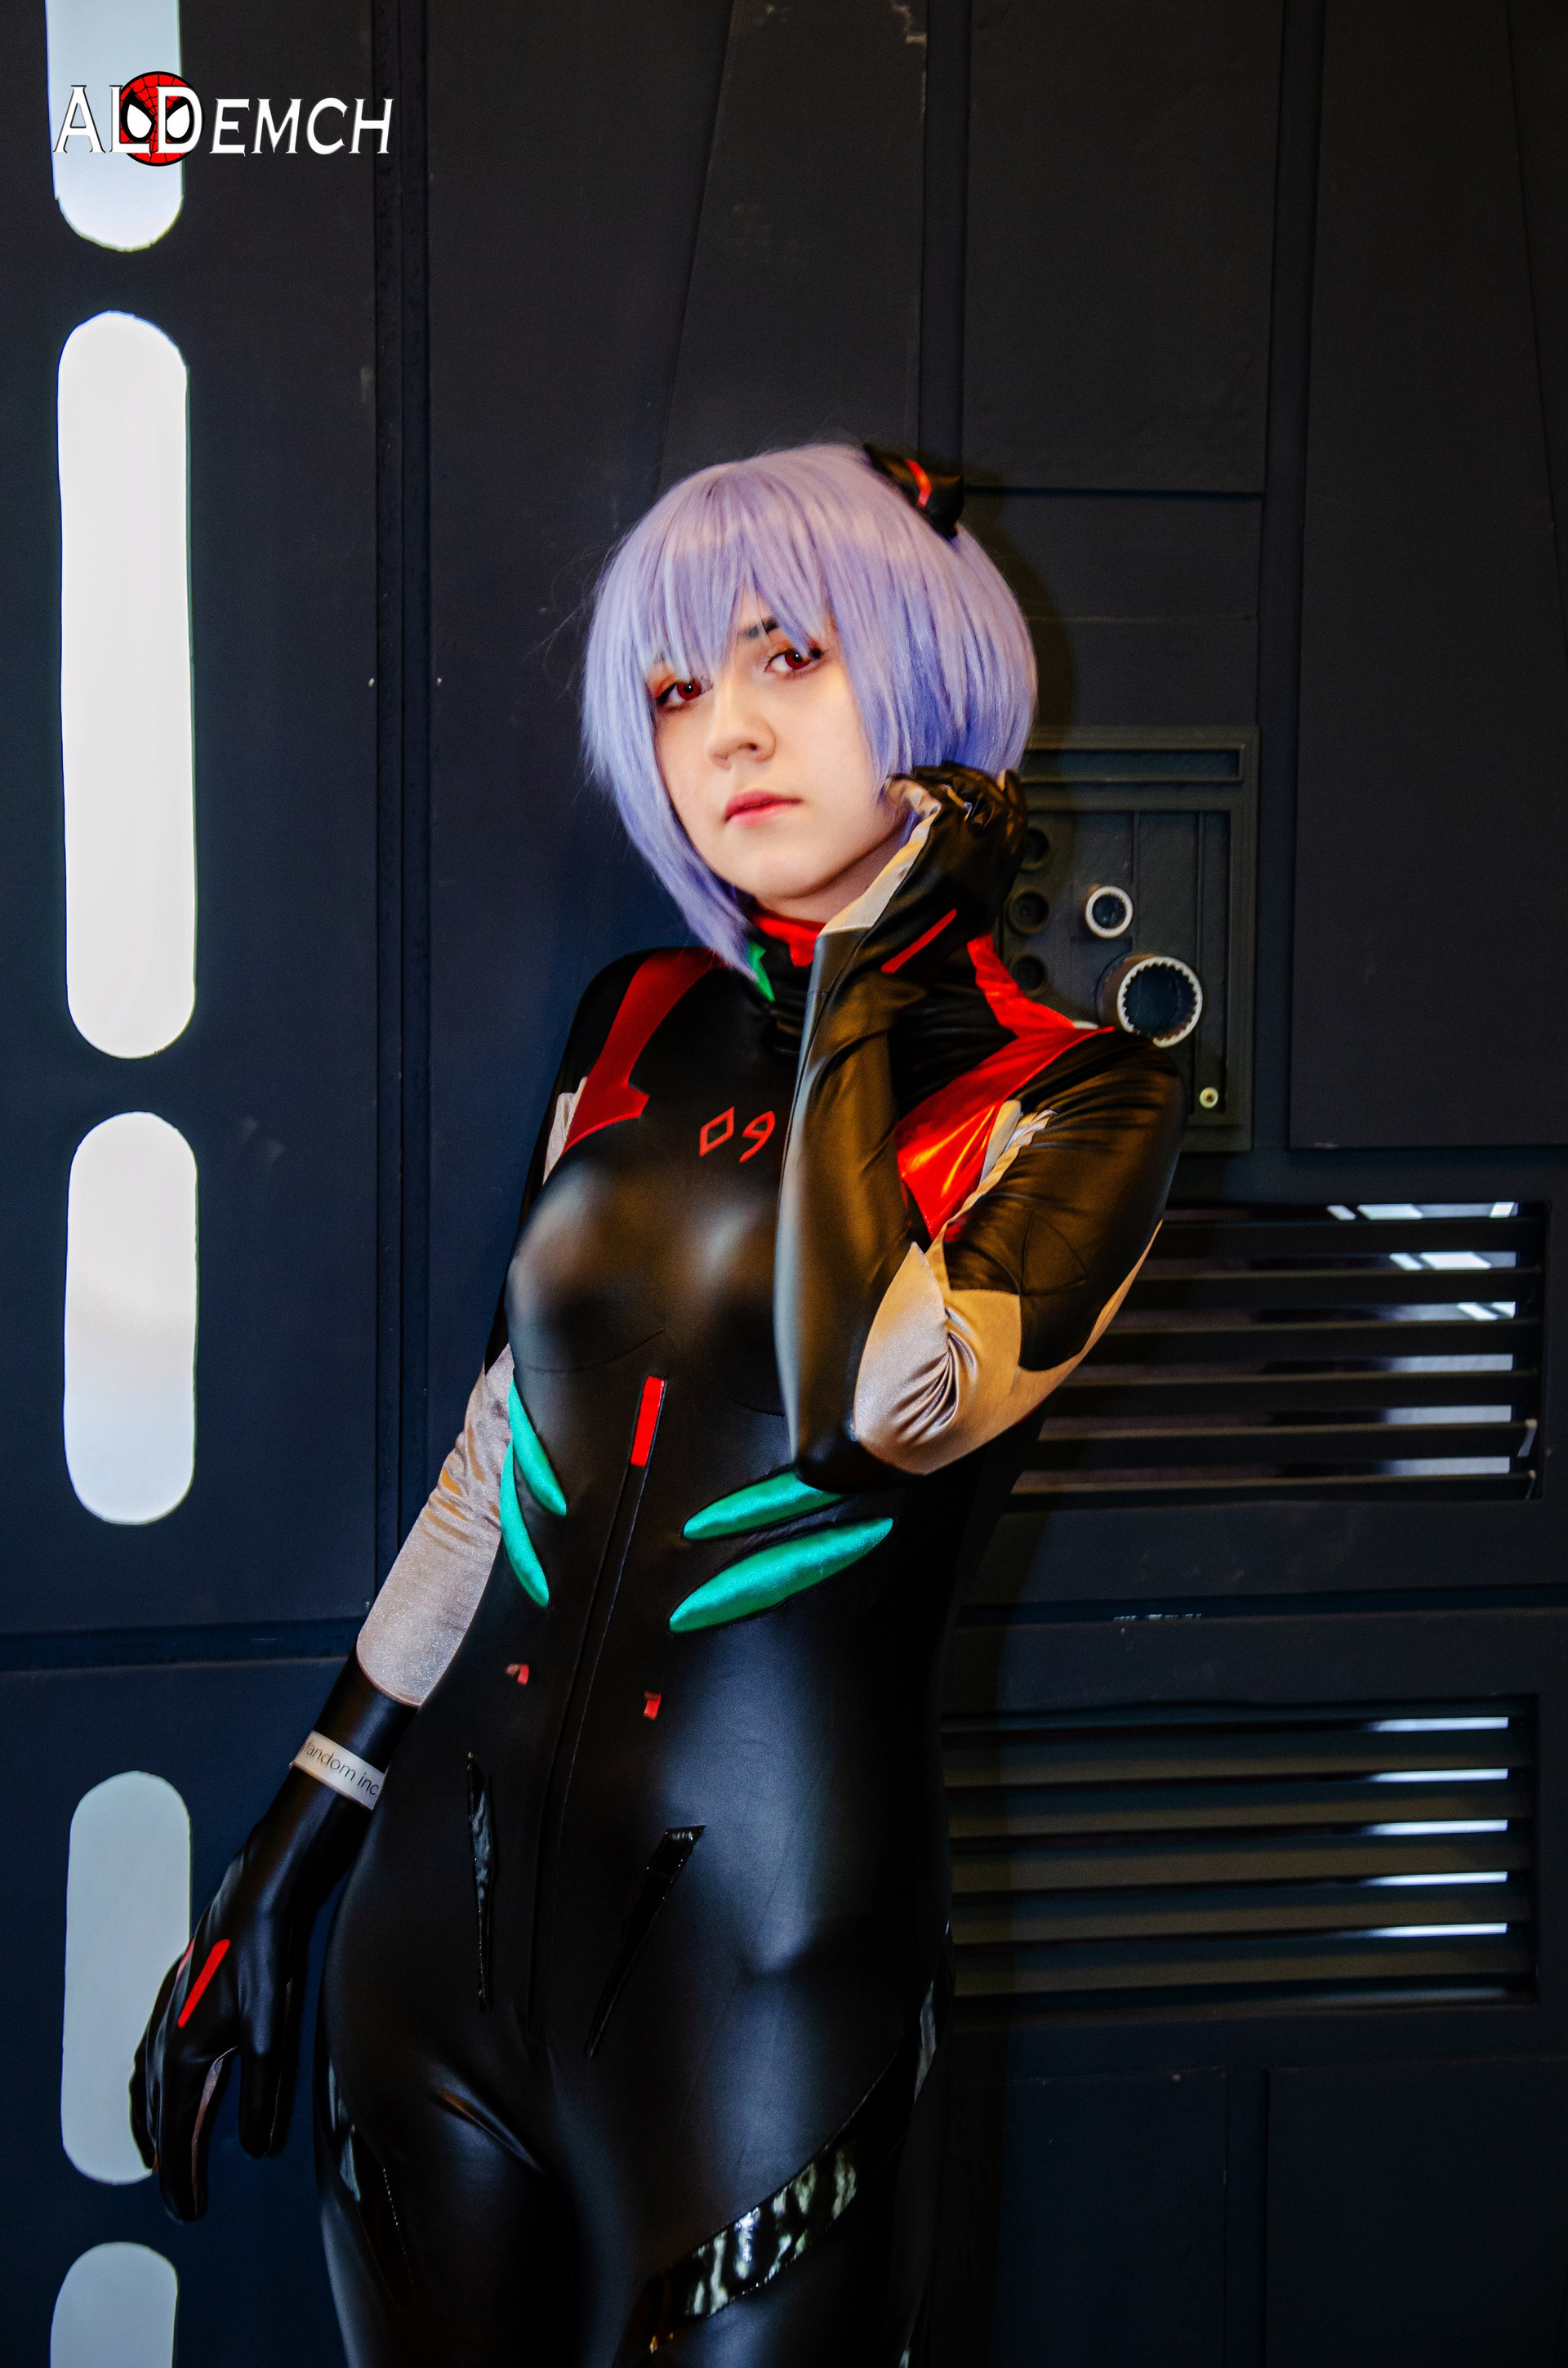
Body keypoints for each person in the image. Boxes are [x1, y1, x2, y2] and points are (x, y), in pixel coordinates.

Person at [131, 441, 1185, 2366]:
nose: (728, 733)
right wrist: (287, 1842)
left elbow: (865, 1413)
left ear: (938, 681)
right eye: (680, 687)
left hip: (765, 1984)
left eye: (791, 656)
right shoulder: (633, 1021)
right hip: (428, 1951)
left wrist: (863, 977)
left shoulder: (1081, 1099)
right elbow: (498, 1454)